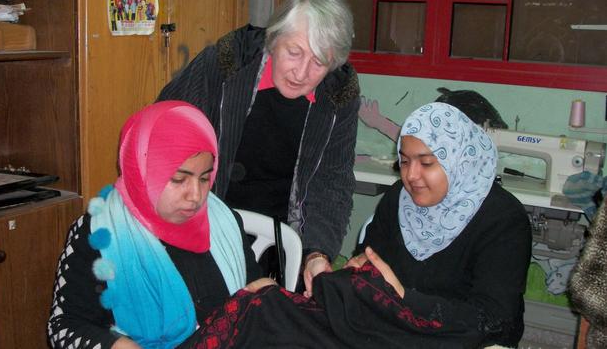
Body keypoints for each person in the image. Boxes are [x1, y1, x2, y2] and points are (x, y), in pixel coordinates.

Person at [178, 102, 532, 349]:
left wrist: (405, 297)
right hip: (384, 326)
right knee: (263, 310)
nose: (411, 176)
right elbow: (368, 261)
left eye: (426, 163)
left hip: (450, 337)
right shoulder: (399, 200)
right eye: (405, 162)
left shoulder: (502, 221)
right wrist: (349, 275)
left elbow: (497, 321)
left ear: (459, 160)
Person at [156, 0, 360, 294]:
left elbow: (332, 182)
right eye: (294, 52)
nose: (302, 72)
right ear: (273, 38)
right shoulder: (226, 63)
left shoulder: (338, 94)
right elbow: (164, 132)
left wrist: (317, 253)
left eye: (319, 62)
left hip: (280, 238)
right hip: (205, 223)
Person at [47, 101, 267, 348]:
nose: (195, 195)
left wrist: (266, 297)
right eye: (178, 179)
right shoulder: (99, 233)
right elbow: (64, 326)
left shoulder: (223, 220)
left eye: (205, 178)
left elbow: (253, 292)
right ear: (141, 171)